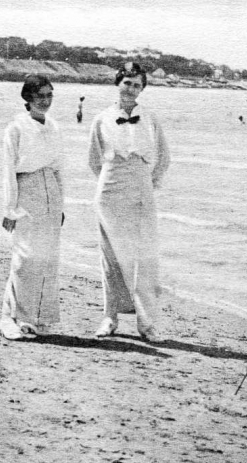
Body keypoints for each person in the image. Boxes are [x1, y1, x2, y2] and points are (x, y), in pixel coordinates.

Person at [88, 62, 170, 342]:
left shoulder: (150, 118)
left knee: (144, 257)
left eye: (137, 85)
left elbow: (164, 158)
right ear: (117, 83)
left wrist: (148, 183)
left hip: (140, 190)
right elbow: (93, 160)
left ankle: (147, 325)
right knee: (110, 258)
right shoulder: (101, 118)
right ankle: (110, 318)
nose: (131, 89)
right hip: (109, 191)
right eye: (127, 83)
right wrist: (110, 182)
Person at [0, 74, 65, 340]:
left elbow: (60, 168)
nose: (46, 101)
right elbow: (8, 170)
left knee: (46, 259)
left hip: (51, 192)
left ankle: (36, 319)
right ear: (27, 98)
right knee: (24, 258)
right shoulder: (15, 128)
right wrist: (9, 209)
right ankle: (9, 317)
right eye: (40, 96)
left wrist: (61, 205)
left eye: (50, 95)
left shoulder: (55, 127)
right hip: (26, 190)